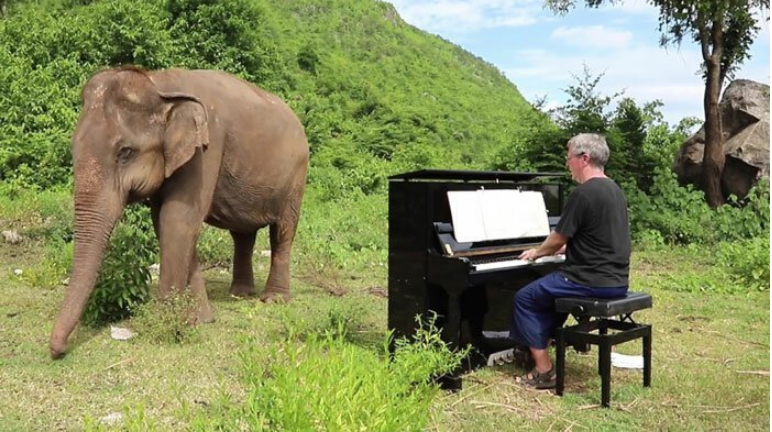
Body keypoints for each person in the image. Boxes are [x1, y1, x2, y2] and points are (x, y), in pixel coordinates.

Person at [509, 133, 631, 389]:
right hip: (616, 281)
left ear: (584, 158)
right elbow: (595, 235)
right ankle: (535, 346)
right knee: (548, 296)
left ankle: (544, 370)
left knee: (524, 298)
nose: (567, 164)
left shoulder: (583, 193)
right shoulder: (614, 189)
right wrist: (566, 248)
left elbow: (556, 239)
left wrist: (537, 252)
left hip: (588, 281)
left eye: (570, 158)